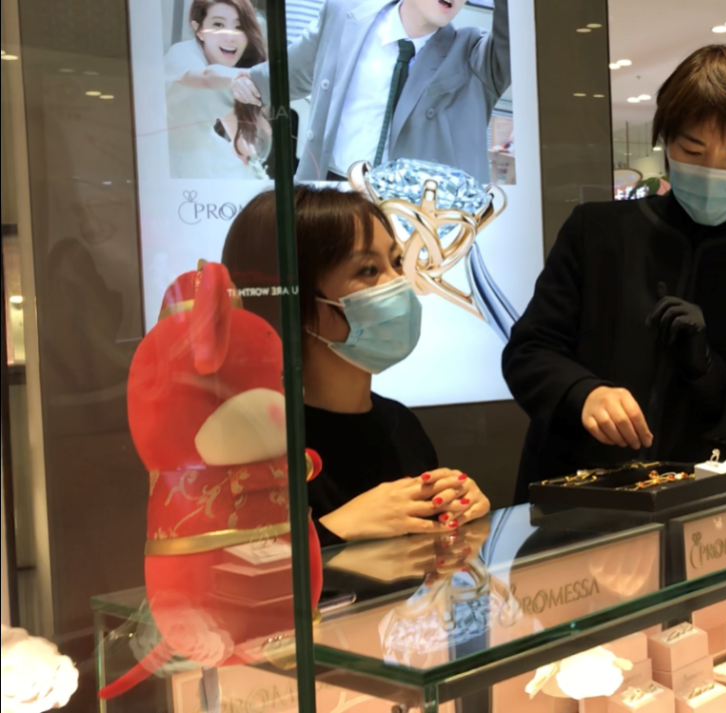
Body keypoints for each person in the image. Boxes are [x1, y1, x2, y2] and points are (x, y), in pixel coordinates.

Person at [502, 45, 726, 501]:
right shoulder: (596, 233)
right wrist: (583, 392)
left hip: (707, 510)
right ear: (666, 141)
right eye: (692, 150)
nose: (711, 172)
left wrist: (710, 372)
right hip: (573, 500)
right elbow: (528, 351)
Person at [221, 186, 490, 546]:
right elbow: (235, 566)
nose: (399, 283)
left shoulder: (403, 427)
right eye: (369, 270)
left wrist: (460, 511)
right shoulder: (251, 443)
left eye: (397, 262)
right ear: (295, 301)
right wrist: (337, 528)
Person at [234, 0, 510, 183]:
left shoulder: (475, 56)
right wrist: (238, 82)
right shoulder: (345, 15)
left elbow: (514, 34)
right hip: (327, 197)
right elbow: (286, 74)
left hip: (413, 224)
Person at [165, 0, 272, 179]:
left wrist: (248, 149)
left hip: (205, 153)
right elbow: (206, 77)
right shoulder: (182, 54)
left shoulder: (227, 70)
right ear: (199, 30)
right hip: (165, 157)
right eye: (218, 25)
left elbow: (225, 111)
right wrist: (249, 76)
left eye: (239, 27)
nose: (230, 37)